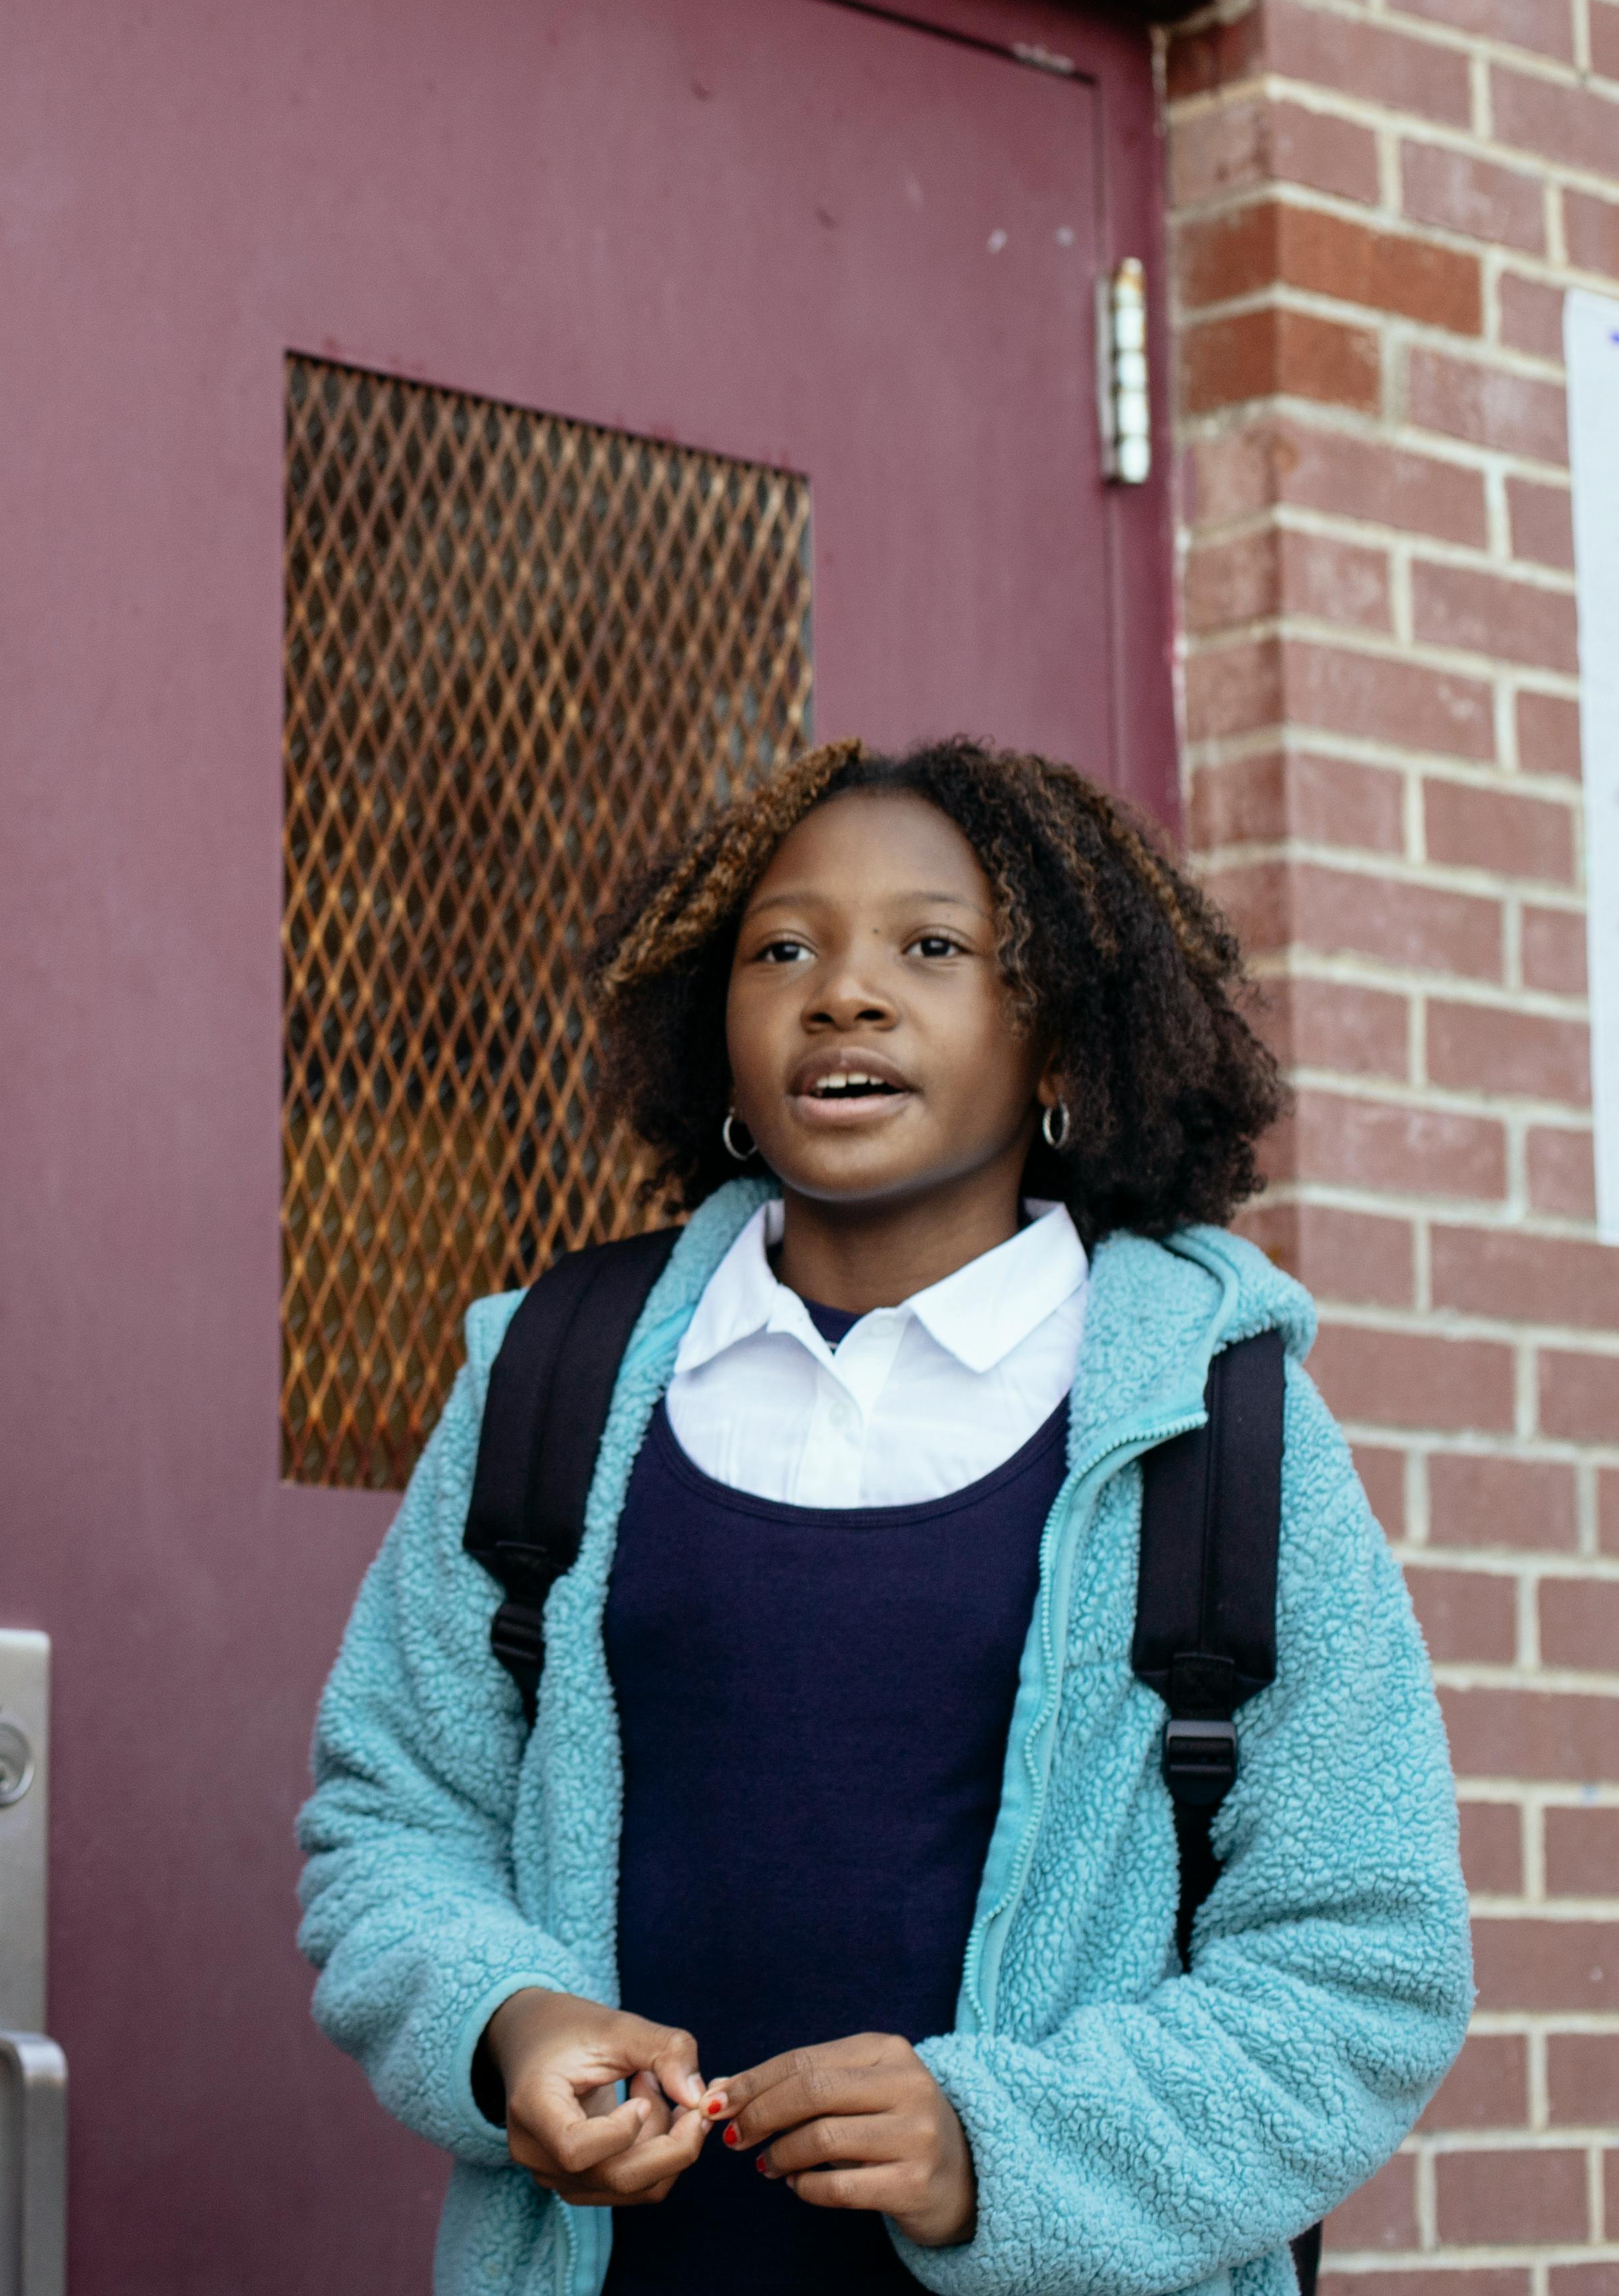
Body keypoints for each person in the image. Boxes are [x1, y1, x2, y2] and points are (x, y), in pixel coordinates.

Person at [297, 737, 1470, 2296]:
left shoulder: (1218, 1426)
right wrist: (503, 2015)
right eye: (783, 947)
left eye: (932, 947)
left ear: (1060, 1042)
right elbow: (393, 1819)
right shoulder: (553, 1376)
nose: (843, 992)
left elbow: (1361, 1967)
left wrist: (997, 2140)